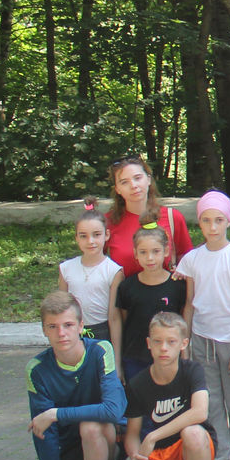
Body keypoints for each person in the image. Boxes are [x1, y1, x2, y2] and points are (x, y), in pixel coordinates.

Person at [27, 291, 125, 460]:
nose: (61, 333)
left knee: (89, 427)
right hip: (70, 450)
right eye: (53, 326)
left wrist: (55, 414)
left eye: (68, 325)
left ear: (81, 326)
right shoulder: (36, 370)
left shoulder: (101, 350)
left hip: (107, 438)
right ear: (44, 330)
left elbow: (113, 410)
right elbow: (43, 434)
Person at [176, 190, 230, 460]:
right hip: (200, 339)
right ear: (199, 223)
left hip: (229, 342)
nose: (212, 227)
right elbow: (189, 303)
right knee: (212, 405)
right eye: (206, 220)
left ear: (228, 222)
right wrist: (185, 343)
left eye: (218, 220)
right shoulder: (192, 259)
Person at [118, 312, 215, 460]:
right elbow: (132, 433)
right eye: (158, 342)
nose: (164, 348)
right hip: (159, 453)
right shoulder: (138, 383)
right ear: (149, 344)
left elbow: (200, 412)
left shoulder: (192, 371)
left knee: (192, 433)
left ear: (183, 344)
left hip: (191, 446)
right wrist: (136, 456)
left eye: (171, 342)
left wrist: (151, 437)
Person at [107, 226, 187, 383]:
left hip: (169, 357)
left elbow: (184, 321)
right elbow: (124, 322)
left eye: (155, 251)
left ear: (165, 251)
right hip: (135, 358)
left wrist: (184, 357)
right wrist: (118, 363)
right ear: (135, 254)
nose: (150, 258)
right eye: (143, 252)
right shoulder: (127, 287)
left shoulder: (177, 285)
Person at [103, 156, 192, 276]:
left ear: (148, 180)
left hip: (166, 292)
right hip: (124, 293)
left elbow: (188, 260)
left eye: (137, 178)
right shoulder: (107, 223)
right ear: (117, 189)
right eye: (124, 182)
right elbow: (96, 263)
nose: (133, 185)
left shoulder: (172, 217)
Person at [57, 200, 122, 344]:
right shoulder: (66, 268)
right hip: (73, 331)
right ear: (76, 238)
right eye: (83, 236)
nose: (90, 241)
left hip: (102, 333)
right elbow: (61, 309)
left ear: (107, 235)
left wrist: (116, 360)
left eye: (96, 234)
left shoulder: (114, 271)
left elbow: (114, 317)